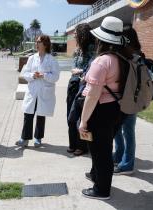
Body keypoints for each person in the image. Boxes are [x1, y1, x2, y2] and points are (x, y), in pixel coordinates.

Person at [78, 16, 126, 199]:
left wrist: (83, 121)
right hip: (116, 108)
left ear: (101, 39)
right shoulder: (120, 58)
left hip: (101, 111)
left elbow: (92, 95)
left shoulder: (102, 61)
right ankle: (99, 180)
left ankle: (101, 189)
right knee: (105, 148)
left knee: (100, 153)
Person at [16, 35, 60, 148]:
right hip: (33, 90)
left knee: (41, 115)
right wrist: (33, 75)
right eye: (36, 41)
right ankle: (24, 138)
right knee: (28, 114)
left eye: (39, 41)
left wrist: (44, 75)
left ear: (45, 44)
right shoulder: (32, 58)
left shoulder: (51, 59)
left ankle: (38, 138)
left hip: (44, 91)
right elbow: (25, 73)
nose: (36, 43)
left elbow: (56, 77)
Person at [113, 26, 142, 175]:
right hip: (129, 98)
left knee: (127, 131)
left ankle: (127, 164)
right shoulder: (136, 53)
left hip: (129, 99)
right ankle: (119, 156)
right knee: (120, 129)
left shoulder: (132, 55)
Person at [67, 23, 95, 156]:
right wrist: (78, 72)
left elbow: (90, 71)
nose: (74, 35)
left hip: (84, 88)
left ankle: (82, 146)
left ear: (82, 34)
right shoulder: (77, 50)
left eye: (76, 33)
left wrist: (80, 72)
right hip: (73, 85)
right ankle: (72, 144)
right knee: (70, 116)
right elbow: (73, 69)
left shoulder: (92, 50)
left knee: (82, 117)